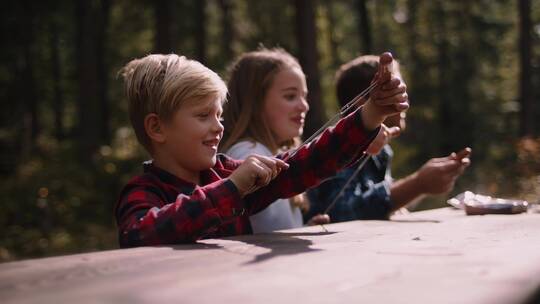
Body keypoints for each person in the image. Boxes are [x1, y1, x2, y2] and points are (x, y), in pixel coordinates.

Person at [115, 52, 408, 247]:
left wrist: (370, 114)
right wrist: (232, 189)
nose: (218, 126)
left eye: (218, 115)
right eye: (203, 116)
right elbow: (140, 234)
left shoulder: (226, 173)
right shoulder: (143, 192)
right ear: (157, 128)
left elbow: (306, 165)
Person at [306, 55, 471, 222]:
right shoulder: (335, 148)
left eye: (403, 89)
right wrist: (418, 184)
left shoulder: (382, 152)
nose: (404, 97)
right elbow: (340, 214)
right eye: (394, 91)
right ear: (363, 105)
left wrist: (424, 185)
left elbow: (378, 205)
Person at [221, 48, 325, 232]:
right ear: (255, 102)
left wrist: (304, 229)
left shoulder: (267, 153)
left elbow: (270, 233)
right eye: (290, 96)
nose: (304, 106)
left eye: (304, 96)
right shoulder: (249, 155)